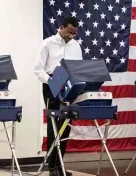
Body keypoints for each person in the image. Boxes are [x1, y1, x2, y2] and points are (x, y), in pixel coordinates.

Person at [34, 17, 83, 176]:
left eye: (74, 33)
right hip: (52, 84)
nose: (71, 36)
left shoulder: (76, 45)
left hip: (70, 83)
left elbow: (78, 66)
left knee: (66, 124)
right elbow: (38, 70)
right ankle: (52, 168)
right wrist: (53, 82)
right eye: (69, 32)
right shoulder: (47, 43)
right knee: (53, 126)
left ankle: (60, 165)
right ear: (61, 27)